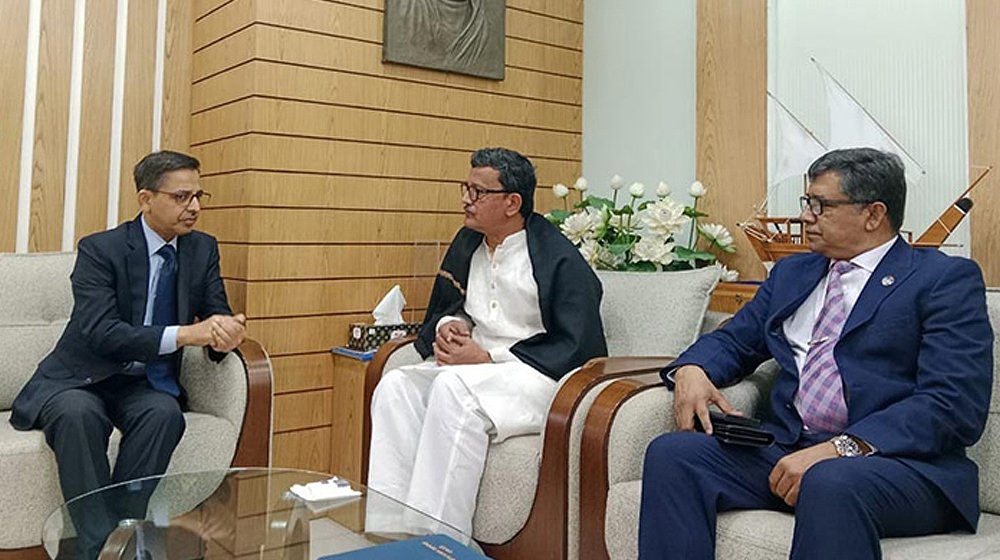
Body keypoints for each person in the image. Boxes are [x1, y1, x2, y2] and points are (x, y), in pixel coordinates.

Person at [638, 148, 993, 560]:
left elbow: (952, 404)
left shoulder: (942, 279)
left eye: (821, 205)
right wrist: (693, 368)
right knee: (675, 454)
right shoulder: (793, 273)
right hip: (793, 446)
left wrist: (839, 449)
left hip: (903, 464)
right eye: (807, 202)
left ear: (873, 214)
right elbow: (735, 340)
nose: (806, 216)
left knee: (828, 481)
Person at [10, 150, 246, 558]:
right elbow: (101, 332)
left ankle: (117, 537)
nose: (194, 207)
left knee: (164, 415)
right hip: (81, 378)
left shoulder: (202, 249)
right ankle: (106, 549)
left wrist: (225, 335)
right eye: (181, 197)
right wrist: (187, 334)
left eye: (198, 196)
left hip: (144, 383)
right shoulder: (101, 249)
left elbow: (215, 313)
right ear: (145, 199)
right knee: (77, 415)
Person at [366, 147, 607, 537]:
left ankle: (440, 544)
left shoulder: (558, 258)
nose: (466, 199)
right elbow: (456, 305)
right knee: (396, 386)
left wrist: (488, 357)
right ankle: (389, 534)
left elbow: (578, 344)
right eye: (466, 188)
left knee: (451, 389)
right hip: (475, 370)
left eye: (478, 192)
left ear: (512, 203)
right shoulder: (469, 242)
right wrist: (451, 325)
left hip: (538, 375)